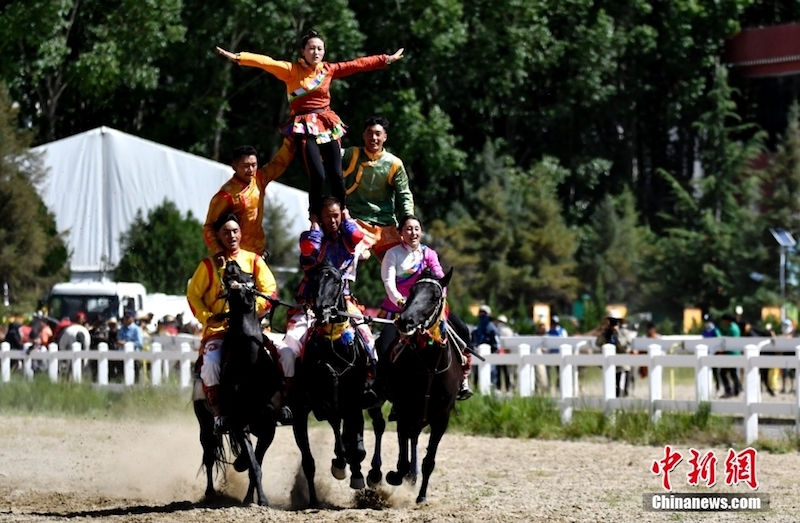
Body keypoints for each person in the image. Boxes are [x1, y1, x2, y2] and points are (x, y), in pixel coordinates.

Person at [216, 31, 404, 222]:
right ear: (303, 51)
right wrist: (239, 57)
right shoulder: (292, 71)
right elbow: (266, 62)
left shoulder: (328, 70)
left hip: (327, 124)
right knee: (318, 176)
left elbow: (357, 64)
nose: (316, 52)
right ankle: (314, 216)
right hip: (304, 127)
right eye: (311, 48)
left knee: (337, 176)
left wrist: (386, 59)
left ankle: (343, 214)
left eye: (319, 49)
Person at [276, 196, 376, 416]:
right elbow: (310, 249)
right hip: (311, 303)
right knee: (289, 345)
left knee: (367, 338)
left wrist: (347, 215)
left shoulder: (348, 240)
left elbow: (357, 235)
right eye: (327, 216)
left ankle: (368, 383)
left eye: (336, 215)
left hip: (344, 302)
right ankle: (290, 394)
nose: (332, 220)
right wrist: (313, 224)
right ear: (319, 217)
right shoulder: (310, 238)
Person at [187, 213, 277, 434]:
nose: (231, 235)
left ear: (241, 233)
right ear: (217, 235)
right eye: (226, 232)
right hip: (219, 329)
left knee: (282, 354)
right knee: (210, 364)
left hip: (252, 326)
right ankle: (219, 413)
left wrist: (250, 311)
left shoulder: (254, 260)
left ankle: (281, 403)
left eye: (235, 231)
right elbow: (193, 296)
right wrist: (208, 316)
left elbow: (270, 291)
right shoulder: (207, 266)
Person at [377, 215, 473, 400]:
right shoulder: (393, 254)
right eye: (408, 229)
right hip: (399, 309)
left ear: (421, 231)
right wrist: (401, 301)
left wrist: (439, 301)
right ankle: (381, 387)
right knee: (384, 346)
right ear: (400, 233)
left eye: (416, 229)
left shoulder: (429, 253)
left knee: (462, 330)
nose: (413, 233)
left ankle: (462, 379)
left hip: (428, 309)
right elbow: (389, 283)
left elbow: (440, 278)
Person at [203, 144, 294, 267]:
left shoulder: (259, 179)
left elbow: (279, 163)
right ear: (234, 166)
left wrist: (290, 141)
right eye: (246, 166)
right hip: (234, 257)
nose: (251, 170)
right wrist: (217, 251)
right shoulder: (225, 195)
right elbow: (209, 227)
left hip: (258, 254)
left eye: (254, 165)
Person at [342, 116, 415, 261]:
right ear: (363, 135)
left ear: (385, 137)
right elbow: (331, 154)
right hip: (356, 220)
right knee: (353, 257)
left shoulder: (394, 163)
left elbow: (404, 194)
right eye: (369, 133)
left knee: (403, 265)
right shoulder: (353, 154)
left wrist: (409, 219)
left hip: (385, 223)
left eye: (377, 133)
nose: (373, 137)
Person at [595, 310, 633, 397]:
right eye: (611, 320)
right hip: (609, 365)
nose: (613, 323)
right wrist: (605, 332)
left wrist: (617, 334)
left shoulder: (625, 333)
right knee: (611, 388)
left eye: (615, 321)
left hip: (622, 365)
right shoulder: (606, 333)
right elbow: (598, 343)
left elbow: (624, 348)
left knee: (621, 389)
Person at [718, 313, 741, 398]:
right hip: (734, 353)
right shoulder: (734, 327)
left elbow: (730, 342)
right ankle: (736, 390)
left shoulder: (732, 329)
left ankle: (729, 390)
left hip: (731, 353)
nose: (724, 322)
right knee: (733, 373)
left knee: (723, 373)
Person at [495, 314, 515, 392]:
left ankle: (508, 388)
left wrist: (506, 350)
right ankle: (498, 387)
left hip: (506, 353)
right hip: (498, 353)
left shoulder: (508, 331)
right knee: (498, 371)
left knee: (507, 371)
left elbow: (510, 343)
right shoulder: (496, 330)